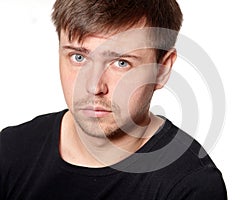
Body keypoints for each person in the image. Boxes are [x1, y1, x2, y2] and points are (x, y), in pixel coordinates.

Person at [0, 0, 227, 199]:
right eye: (78, 57)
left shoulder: (190, 185)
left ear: (162, 69)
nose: (93, 86)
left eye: (121, 62)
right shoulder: (9, 151)